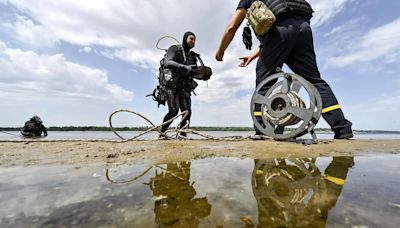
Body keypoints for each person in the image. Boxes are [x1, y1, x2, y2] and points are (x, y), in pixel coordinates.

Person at [215, 0, 353, 139]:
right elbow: (278, 35)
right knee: (313, 81)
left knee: (264, 80)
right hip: (303, 30)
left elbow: (232, 27)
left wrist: (220, 52)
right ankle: (342, 128)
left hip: (280, 31)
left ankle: (262, 129)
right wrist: (252, 56)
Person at [159, 32, 200, 138]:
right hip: (171, 87)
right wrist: (185, 68)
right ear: (185, 38)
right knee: (174, 111)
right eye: (191, 39)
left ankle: (182, 135)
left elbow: (194, 72)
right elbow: (167, 62)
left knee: (187, 112)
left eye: (195, 40)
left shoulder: (192, 56)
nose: (193, 41)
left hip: (185, 87)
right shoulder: (174, 49)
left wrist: (203, 75)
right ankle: (162, 133)